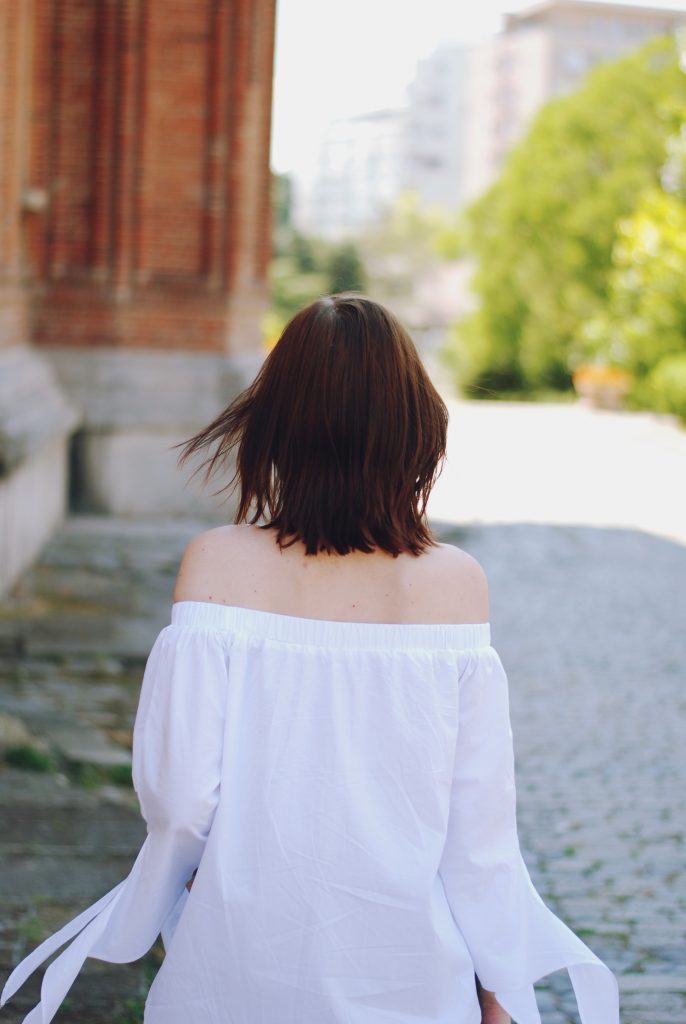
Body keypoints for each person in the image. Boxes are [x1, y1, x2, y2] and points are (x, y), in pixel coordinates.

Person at [1, 295, 620, 1024]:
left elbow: (180, 800)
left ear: (273, 425)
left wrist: (162, 904)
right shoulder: (455, 584)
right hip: (411, 983)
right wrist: (499, 995)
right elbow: (479, 837)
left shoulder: (216, 566)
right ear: (417, 430)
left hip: (234, 971)